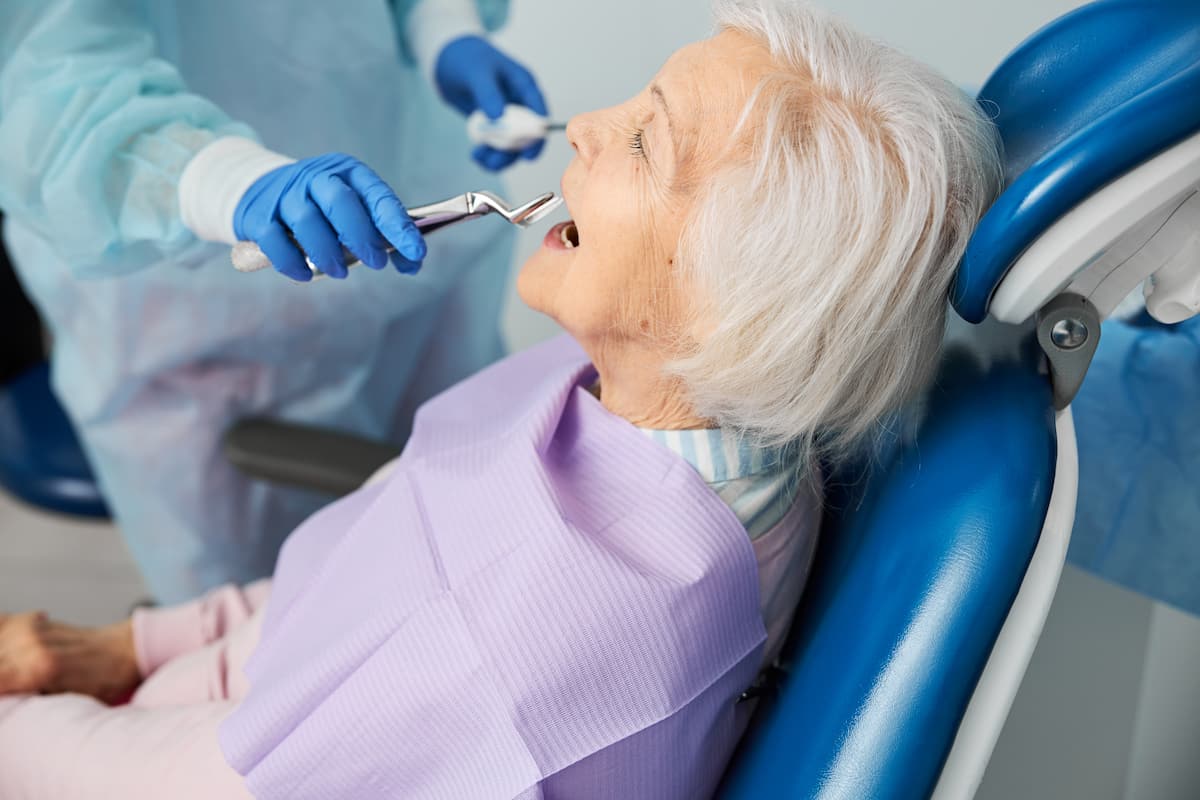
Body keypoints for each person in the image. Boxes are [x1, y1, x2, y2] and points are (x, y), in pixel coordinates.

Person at [0, 1, 1002, 797]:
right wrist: (132, 646)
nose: (589, 123)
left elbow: (226, 778)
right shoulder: (657, 397)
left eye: (647, 143)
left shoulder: (508, 657)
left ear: (744, 299)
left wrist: (26, 732)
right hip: (204, 458)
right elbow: (362, 568)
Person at [0, 0, 548, 603]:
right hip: (194, 321)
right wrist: (225, 182)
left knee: (461, 548)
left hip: (417, 233)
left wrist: (443, 26)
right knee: (271, 620)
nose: (589, 134)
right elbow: (45, 89)